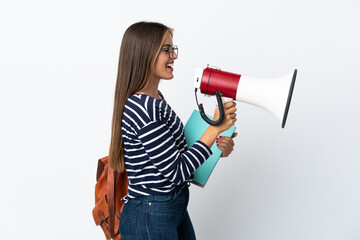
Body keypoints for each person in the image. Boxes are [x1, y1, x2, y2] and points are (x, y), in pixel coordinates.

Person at [109, 21, 237, 240]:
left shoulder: (155, 100)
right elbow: (176, 171)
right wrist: (214, 129)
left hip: (170, 207)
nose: (174, 56)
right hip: (151, 214)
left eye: (172, 49)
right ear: (144, 54)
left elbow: (177, 154)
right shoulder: (143, 108)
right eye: (166, 50)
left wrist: (217, 148)